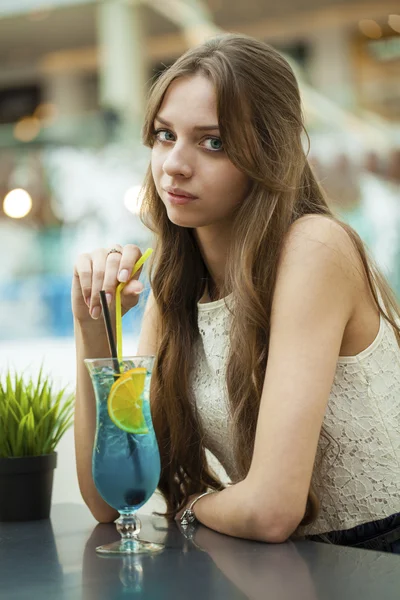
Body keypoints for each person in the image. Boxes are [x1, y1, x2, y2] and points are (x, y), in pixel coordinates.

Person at [72, 33, 400, 553]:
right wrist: (92, 324)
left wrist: (188, 509)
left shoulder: (314, 248)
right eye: (163, 135)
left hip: (377, 557)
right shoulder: (177, 282)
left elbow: (270, 510)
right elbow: (109, 503)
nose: (174, 164)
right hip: (285, 563)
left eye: (213, 142)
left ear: (267, 154)